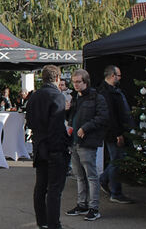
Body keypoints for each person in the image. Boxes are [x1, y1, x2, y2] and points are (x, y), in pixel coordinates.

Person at [26, 65, 69, 229]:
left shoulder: (34, 97)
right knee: (54, 189)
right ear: (57, 78)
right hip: (54, 148)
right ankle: (53, 224)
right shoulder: (56, 96)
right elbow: (57, 126)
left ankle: (42, 221)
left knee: (41, 187)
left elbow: (29, 121)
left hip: (39, 145)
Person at [65, 69, 108, 222]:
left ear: (86, 82)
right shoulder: (76, 98)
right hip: (75, 142)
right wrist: (67, 112)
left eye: (78, 82)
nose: (75, 85)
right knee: (79, 176)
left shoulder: (97, 98)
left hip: (87, 142)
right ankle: (82, 204)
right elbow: (72, 118)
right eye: (74, 82)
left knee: (91, 175)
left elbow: (103, 117)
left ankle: (94, 208)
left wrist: (86, 127)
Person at [98, 65, 135, 204]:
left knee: (117, 159)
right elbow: (111, 116)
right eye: (118, 75)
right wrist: (118, 134)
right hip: (114, 132)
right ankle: (116, 192)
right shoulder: (106, 93)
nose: (120, 78)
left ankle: (104, 180)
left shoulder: (113, 91)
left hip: (119, 131)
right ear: (112, 76)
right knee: (117, 160)